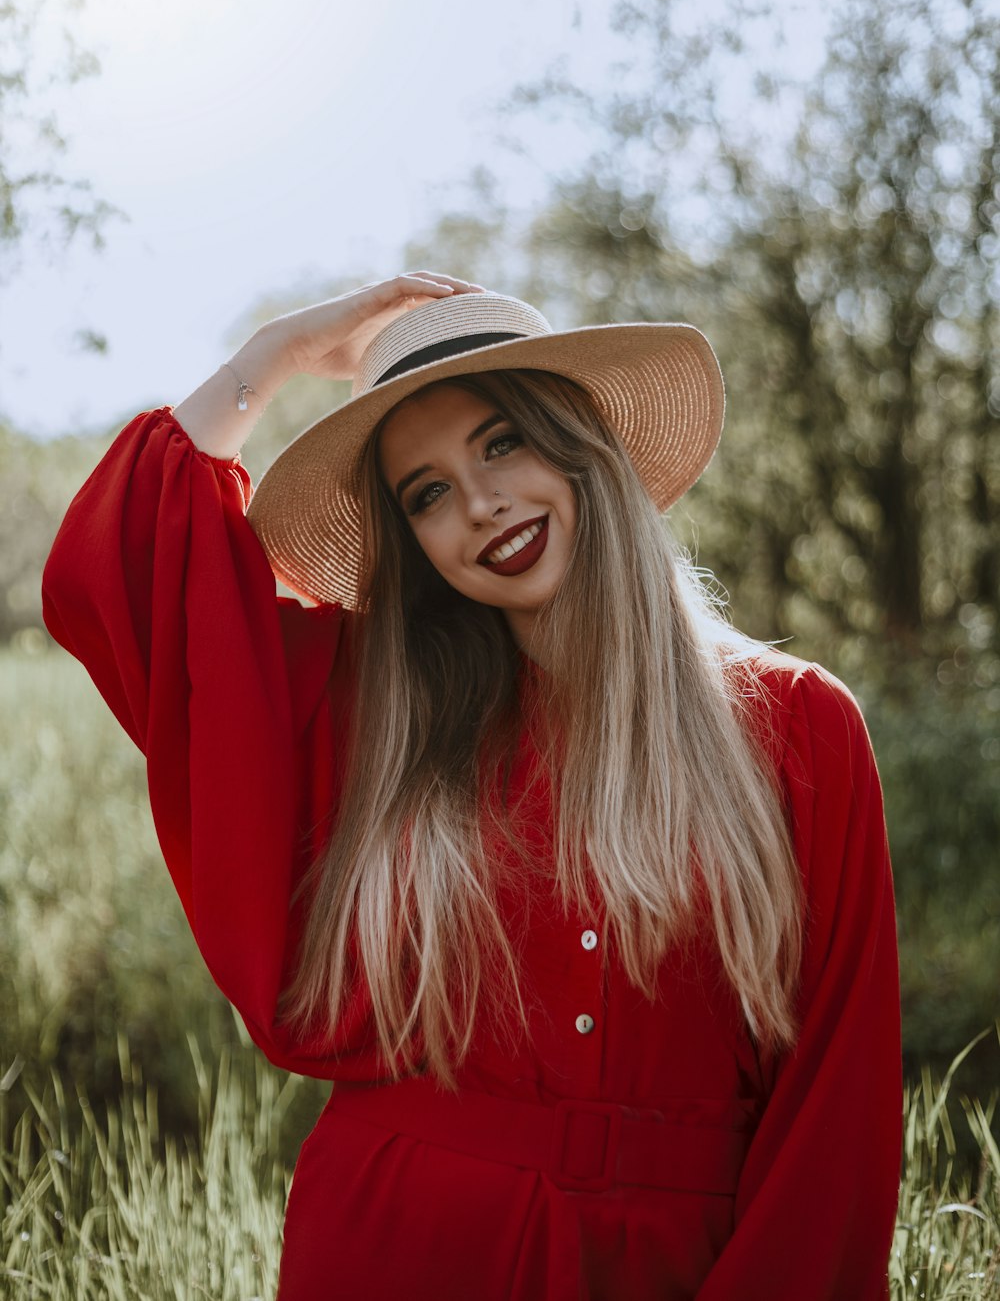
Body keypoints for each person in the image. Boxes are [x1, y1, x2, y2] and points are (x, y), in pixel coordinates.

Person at [42, 273, 903, 1300]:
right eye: (428, 493)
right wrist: (266, 358)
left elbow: (835, 1122)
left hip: (665, 1266)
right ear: (413, 545)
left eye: (502, 444)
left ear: (583, 445)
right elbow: (120, 581)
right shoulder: (378, 712)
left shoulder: (799, 729)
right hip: (388, 1246)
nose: (481, 503)